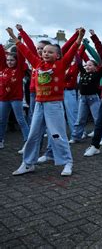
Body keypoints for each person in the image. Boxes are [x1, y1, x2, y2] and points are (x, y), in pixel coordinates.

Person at [9, 27, 84, 176]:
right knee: (33, 134)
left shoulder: (61, 65)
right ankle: (28, 163)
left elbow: (72, 49)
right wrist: (13, 36)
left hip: (54, 105)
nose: (46, 54)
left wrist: (79, 37)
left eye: (50, 52)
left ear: (57, 55)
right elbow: (25, 51)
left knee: (57, 135)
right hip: (39, 104)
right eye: (44, 52)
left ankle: (67, 162)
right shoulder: (37, 64)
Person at [69, 58, 102, 146]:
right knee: (80, 119)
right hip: (82, 99)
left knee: (98, 119)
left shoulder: (97, 74)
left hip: (93, 99)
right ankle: (76, 137)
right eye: (86, 65)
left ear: (95, 67)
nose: (87, 66)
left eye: (90, 65)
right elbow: (79, 62)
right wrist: (77, 51)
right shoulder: (83, 73)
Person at [0, 40, 30, 149]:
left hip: (16, 99)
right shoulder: (3, 68)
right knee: (2, 120)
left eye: (12, 60)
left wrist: (18, 40)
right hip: (3, 99)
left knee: (20, 120)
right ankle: (0, 140)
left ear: (16, 61)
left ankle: (27, 141)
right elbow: (1, 55)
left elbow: (21, 56)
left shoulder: (19, 70)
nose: (9, 62)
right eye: (8, 60)